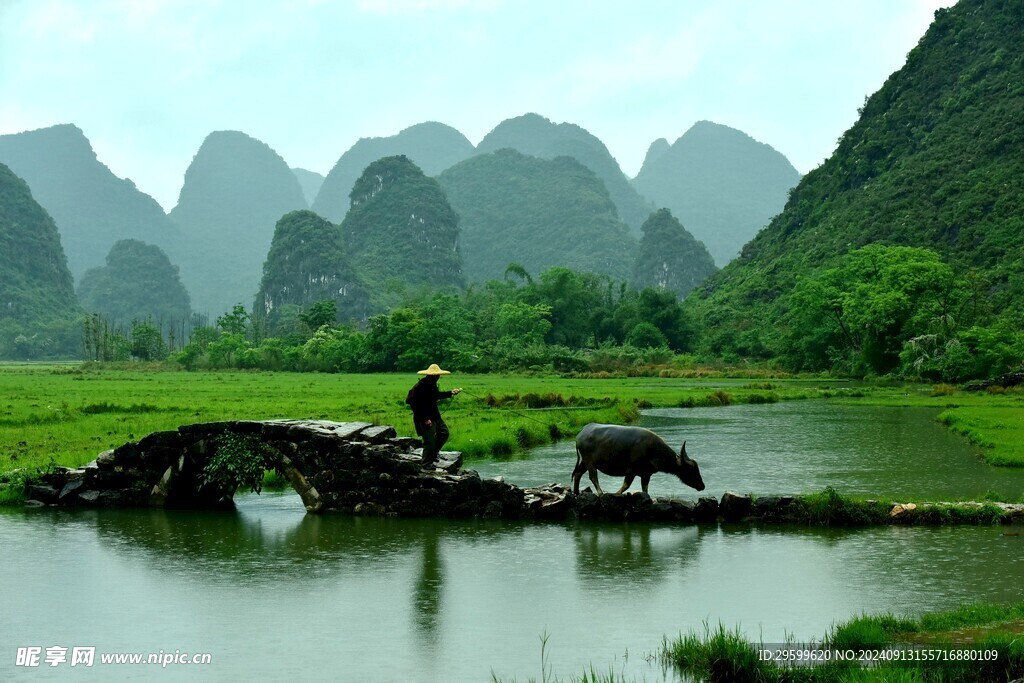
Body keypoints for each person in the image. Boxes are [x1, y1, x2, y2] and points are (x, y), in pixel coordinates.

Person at [406, 363, 461, 468]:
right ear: (431, 376)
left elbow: (436, 396)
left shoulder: (432, 385)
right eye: (437, 375)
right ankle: (426, 463)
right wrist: (425, 418)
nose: (438, 377)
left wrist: (451, 393)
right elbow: (414, 403)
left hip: (435, 415)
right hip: (425, 418)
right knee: (429, 441)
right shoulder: (420, 387)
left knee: (444, 433)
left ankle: (433, 454)